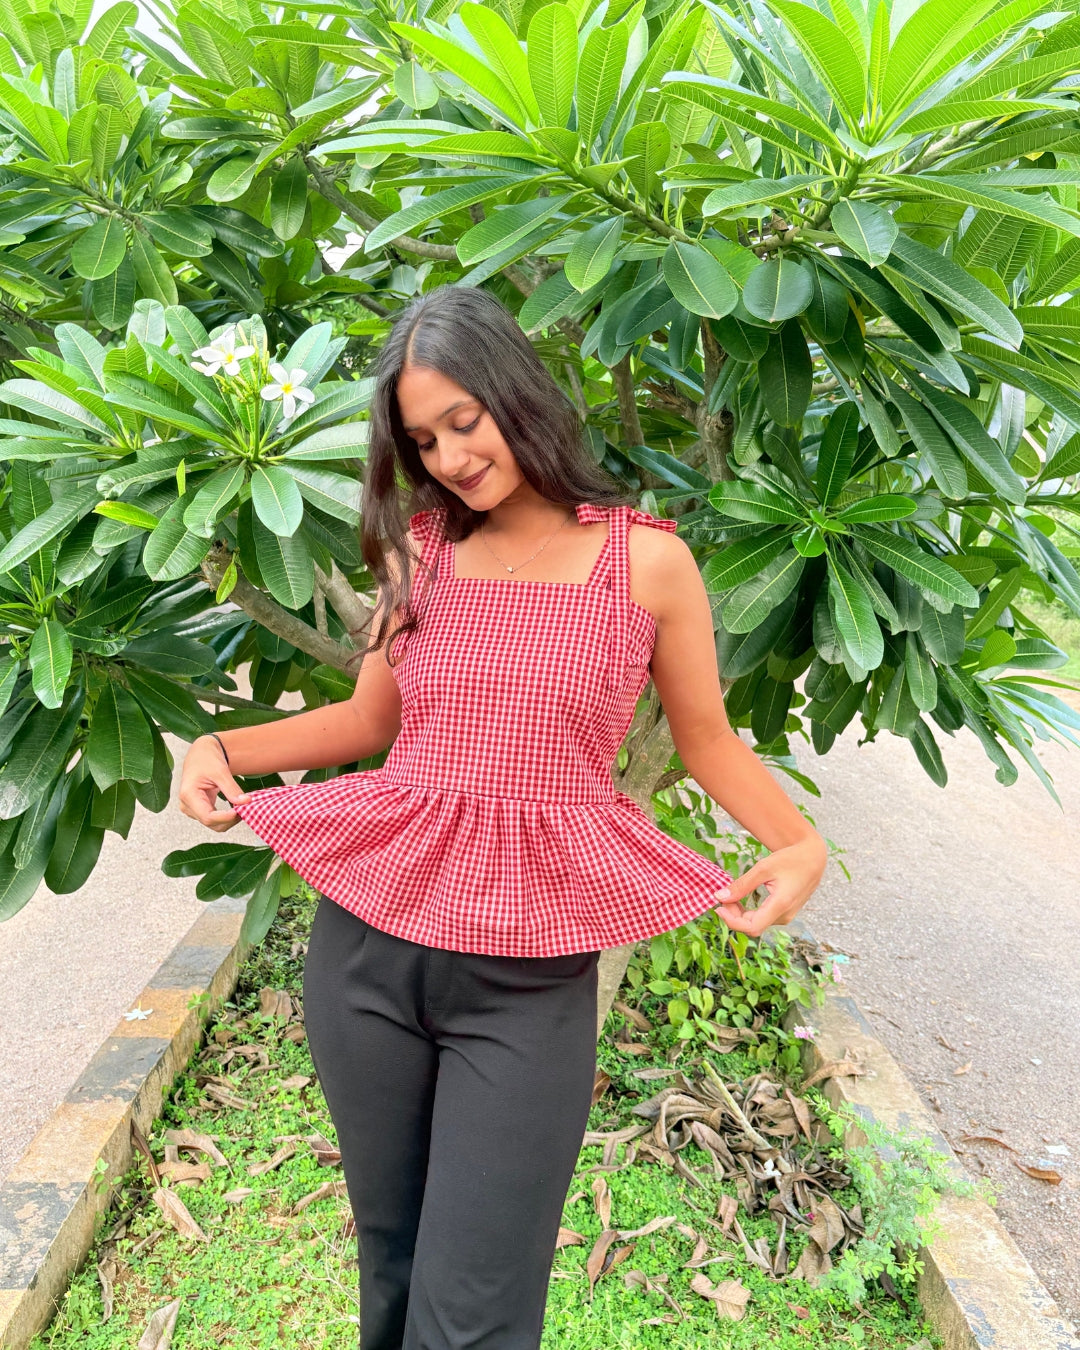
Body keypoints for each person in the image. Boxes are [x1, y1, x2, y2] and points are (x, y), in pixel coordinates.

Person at [178, 284, 827, 1349]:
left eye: (462, 422)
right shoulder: (421, 555)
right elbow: (365, 719)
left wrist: (797, 843)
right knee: (388, 1260)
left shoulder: (644, 560)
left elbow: (706, 739)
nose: (448, 457)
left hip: (526, 985)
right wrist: (222, 748)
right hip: (367, 962)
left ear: (515, 393)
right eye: (423, 440)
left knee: (473, 1310)